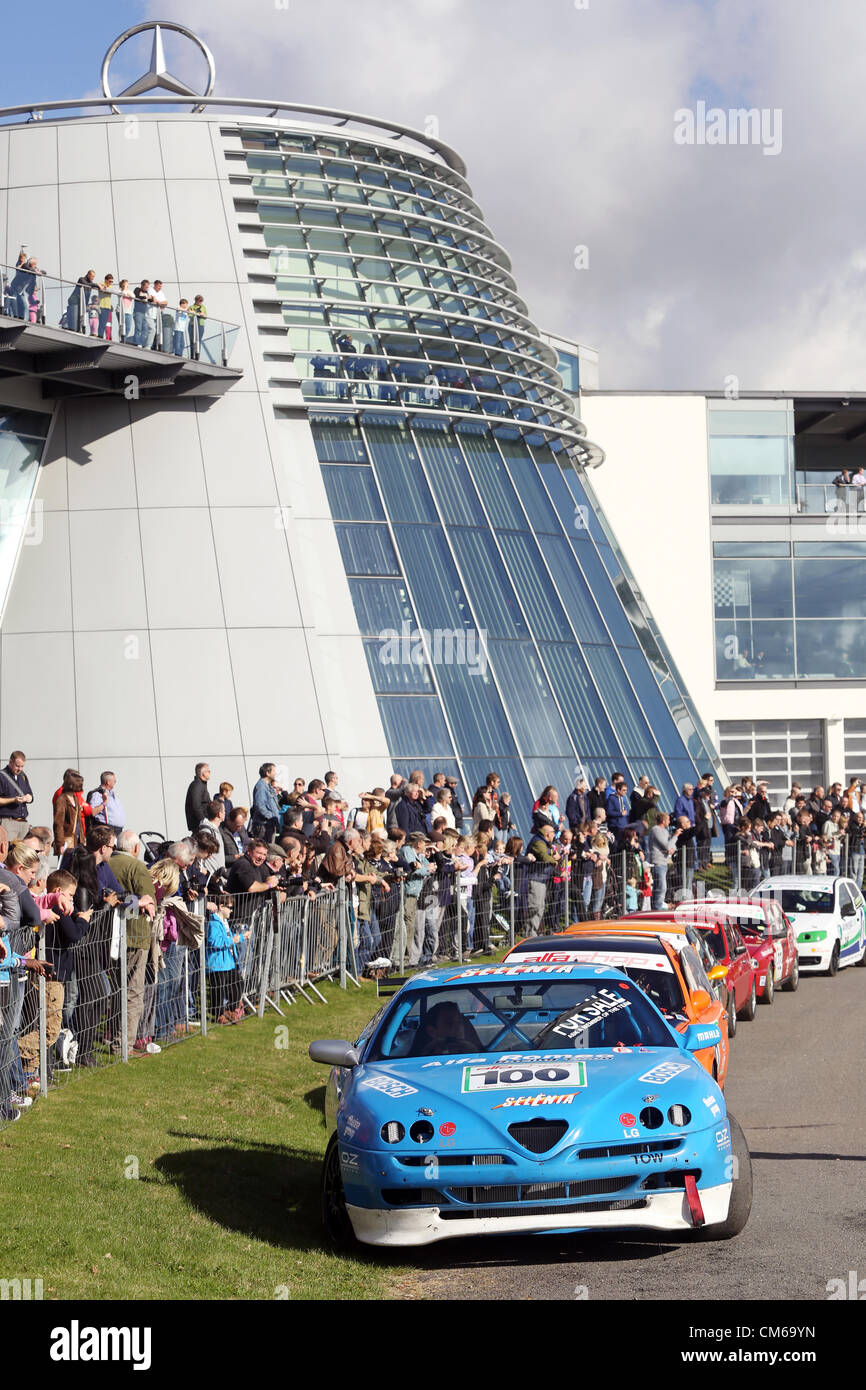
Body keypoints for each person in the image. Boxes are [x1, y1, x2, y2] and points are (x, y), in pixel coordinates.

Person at [109, 832, 157, 1058]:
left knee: (115, 991)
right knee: (133, 992)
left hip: (107, 934)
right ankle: (123, 1046)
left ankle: (114, 1038)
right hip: (134, 935)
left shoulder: (107, 862)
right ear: (136, 848)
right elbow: (149, 904)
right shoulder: (137, 867)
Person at [205, 895, 248, 1025]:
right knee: (218, 989)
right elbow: (214, 941)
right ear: (221, 907)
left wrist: (238, 939)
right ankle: (218, 1014)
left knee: (238, 984)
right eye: (229, 908)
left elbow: (228, 940)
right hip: (217, 963)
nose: (231, 911)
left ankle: (230, 1008)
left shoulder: (224, 922)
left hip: (228, 962)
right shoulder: (213, 923)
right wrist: (234, 940)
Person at [0, 750, 33, 838]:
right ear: (10, 762)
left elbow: (30, 794)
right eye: (17, 766)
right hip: (8, 822)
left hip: (23, 822)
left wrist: (29, 798)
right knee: (9, 850)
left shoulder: (23, 776)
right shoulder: (1, 776)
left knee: (23, 851)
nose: (20, 769)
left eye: (22, 766)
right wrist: (13, 800)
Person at [251, 763, 282, 843]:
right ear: (267, 773)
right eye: (273, 771)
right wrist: (272, 817)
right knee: (264, 849)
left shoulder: (268, 786)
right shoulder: (261, 786)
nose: (275, 773)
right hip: (263, 825)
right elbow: (260, 806)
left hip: (269, 824)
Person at [185, 762, 211, 833]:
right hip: (199, 824)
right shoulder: (197, 785)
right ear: (203, 773)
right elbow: (196, 804)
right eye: (208, 771)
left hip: (201, 823)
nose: (210, 773)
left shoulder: (202, 784)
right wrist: (203, 820)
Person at [96, 273, 115, 339]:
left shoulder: (110, 287)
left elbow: (109, 290)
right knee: (101, 322)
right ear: (106, 280)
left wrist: (105, 288)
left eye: (112, 281)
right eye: (110, 281)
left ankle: (101, 335)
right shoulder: (102, 283)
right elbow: (98, 285)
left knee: (104, 323)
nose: (111, 283)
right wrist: (102, 287)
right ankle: (100, 336)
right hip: (101, 306)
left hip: (107, 307)